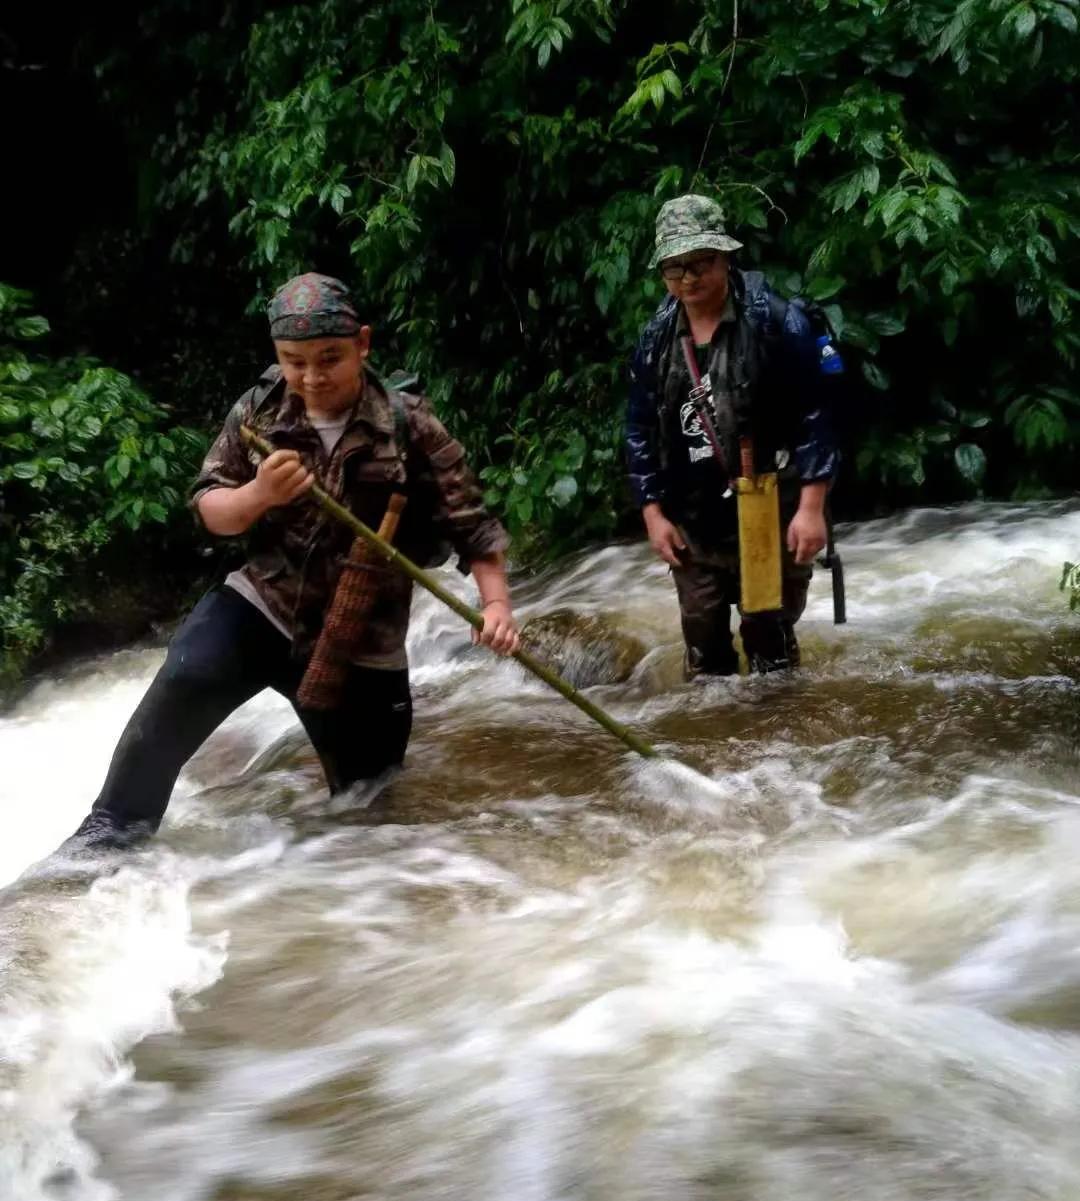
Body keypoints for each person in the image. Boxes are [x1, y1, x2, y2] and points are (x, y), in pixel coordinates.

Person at [69, 272, 519, 848]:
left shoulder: (411, 425)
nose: (311, 377)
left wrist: (497, 605)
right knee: (182, 682)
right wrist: (259, 495)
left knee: (369, 807)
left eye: (329, 358)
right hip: (264, 604)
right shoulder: (257, 412)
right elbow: (212, 509)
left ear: (363, 343)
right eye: (293, 361)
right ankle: (110, 838)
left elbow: (472, 524)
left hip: (364, 634)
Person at [626, 194, 839, 677]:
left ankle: (780, 743)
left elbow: (816, 417)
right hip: (693, 516)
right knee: (703, 646)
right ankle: (714, 745)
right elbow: (638, 429)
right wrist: (652, 513)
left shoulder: (776, 323)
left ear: (725, 257)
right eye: (674, 269)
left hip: (770, 501)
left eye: (699, 264)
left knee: (769, 640)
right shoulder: (656, 338)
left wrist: (810, 509)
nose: (687, 279)